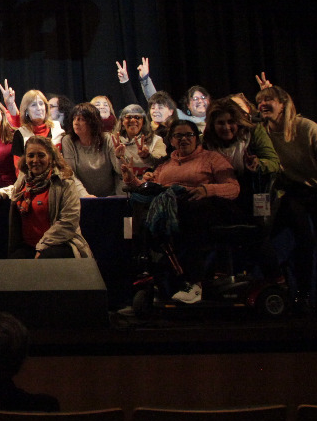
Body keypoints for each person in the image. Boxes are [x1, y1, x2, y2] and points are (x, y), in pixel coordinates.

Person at [255, 83, 317, 309]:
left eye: (268, 100)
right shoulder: (262, 132)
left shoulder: (305, 127)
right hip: (291, 192)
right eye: (259, 101)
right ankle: (302, 293)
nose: (262, 104)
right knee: (304, 240)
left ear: (283, 104)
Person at [124, 118, 239, 303]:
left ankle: (195, 283)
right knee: (137, 212)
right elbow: (152, 189)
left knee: (188, 211)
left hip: (201, 209)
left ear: (196, 138)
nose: (184, 139)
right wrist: (132, 180)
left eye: (188, 135)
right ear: (171, 140)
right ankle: (149, 273)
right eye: (178, 136)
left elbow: (233, 188)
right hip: (170, 209)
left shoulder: (212, 158)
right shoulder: (165, 164)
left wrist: (206, 190)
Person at [2, 136, 92, 260]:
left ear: (50, 157)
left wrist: (43, 246)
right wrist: (0, 193)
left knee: (46, 258)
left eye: (41, 155)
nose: (35, 160)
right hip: (28, 246)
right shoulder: (24, 178)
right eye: (31, 155)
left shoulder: (65, 182)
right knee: (13, 261)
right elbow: (14, 191)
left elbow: (68, 222)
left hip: (60, 244)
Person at [58, 102, 123, 197]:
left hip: (110, 197)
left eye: (81, 119)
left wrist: (119, 157)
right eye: (74, 118)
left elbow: (120, 171)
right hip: (83, 197)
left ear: (92, 122)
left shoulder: (107, 139)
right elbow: (71, 174)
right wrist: (85, 195)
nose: (76, 122)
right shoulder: (68, 141)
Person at [11, 89, 64, 171]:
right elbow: (19, 168)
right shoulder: (20, 133)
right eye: (34, 105)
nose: (39, 108)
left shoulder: (58, 128)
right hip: (31, 177)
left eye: (41, 104)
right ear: (26, 111)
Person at [116, 103, 167, 180]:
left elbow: (162, 165)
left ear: (143, 122)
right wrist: (118, 157)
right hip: (122, 185)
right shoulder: (115, 141)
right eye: (129, 117)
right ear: (122, 122)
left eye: (137, 117)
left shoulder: (156, 140)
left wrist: (147, 157)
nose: (133, 120)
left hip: (148, 184)